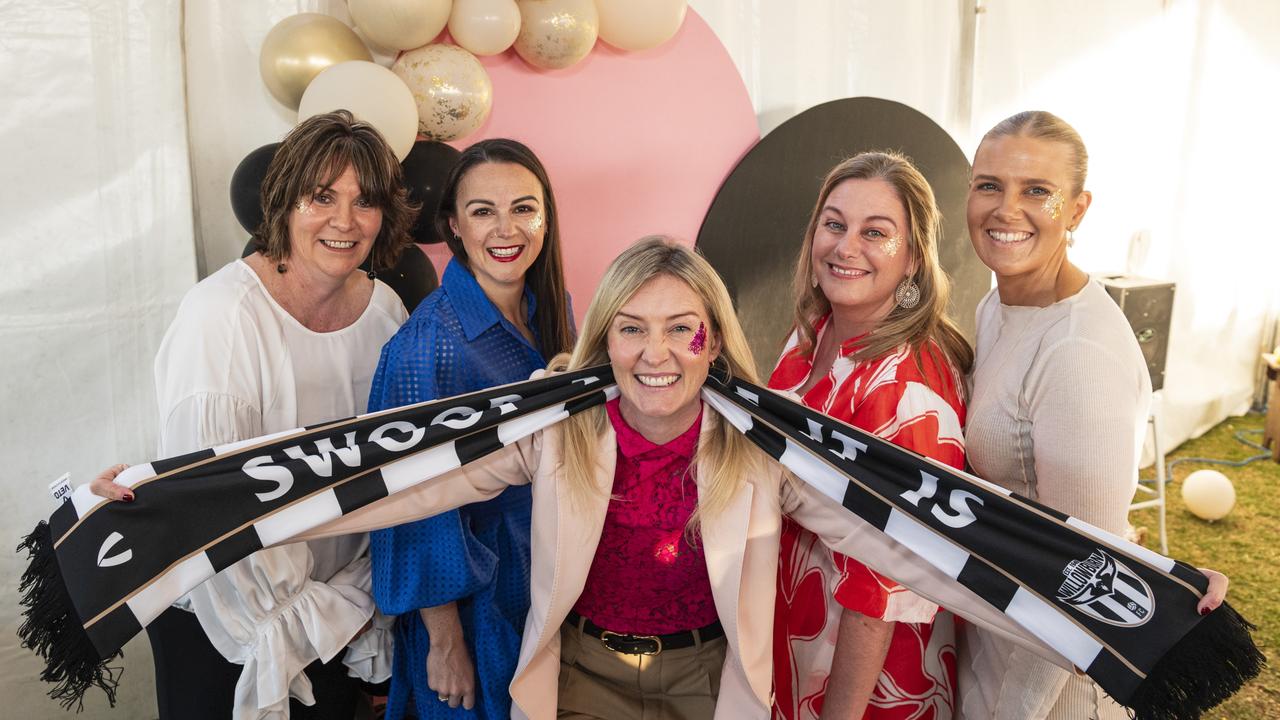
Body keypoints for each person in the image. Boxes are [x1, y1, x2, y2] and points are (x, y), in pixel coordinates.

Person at [93, 237, 1229, 720]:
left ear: (711, 338)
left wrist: (1130, 584)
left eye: (681, 331)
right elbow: (393, 480)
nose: (653, 353)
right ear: (601, 339)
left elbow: (917, 543)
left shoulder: (760, 440)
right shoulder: (559, 425)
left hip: (703, 681)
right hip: (584, 675)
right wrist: (176, 495)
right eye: (629, 328)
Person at [95, 110, 415, 720]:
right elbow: (213, 504)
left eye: (364, 201)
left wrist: (353, 608)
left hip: (339, 613)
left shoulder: (386, 313)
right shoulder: (223, 316)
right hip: (227, 617)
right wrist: (292, 622)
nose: (344, 221)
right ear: (286, 201)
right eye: (322, 196)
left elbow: (395, 469)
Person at [956, 110, 1156, 719]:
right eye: (989, 184)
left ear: (1076, 209)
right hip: (994, 637)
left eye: (1036, 191)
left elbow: (1086, 582)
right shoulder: (998, 304)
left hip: (1052, 689)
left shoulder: (1078, 349)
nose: (1005, 209)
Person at [366, 138, 574, 720]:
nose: (506, 229)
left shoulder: (554, 308)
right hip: (475, 605)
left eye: (523, 208)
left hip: (544, 578)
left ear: (546, 216)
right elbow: (409, 501)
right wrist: (445, 640)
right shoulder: (425, 346)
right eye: (483, 211)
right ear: (453, 224)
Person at [769, 152, 970, 720]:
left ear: (912, 259)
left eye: (875, 233)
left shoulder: (908, 393)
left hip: (864, 680)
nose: (845, 246)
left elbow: (888, 588)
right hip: (798, 634)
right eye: (834, 224)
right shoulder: (814, 333)